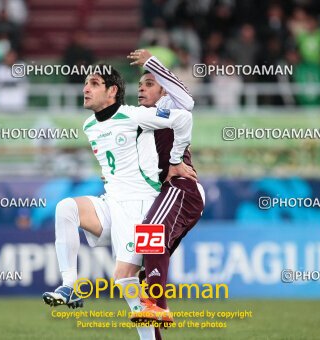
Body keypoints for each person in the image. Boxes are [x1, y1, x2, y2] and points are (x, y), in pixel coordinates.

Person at [42, 66, 194, 340]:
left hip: (141, 207)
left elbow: (183, 119)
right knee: (66, 208)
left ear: (112, 91)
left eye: (94, 83)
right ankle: (69, 285)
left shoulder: (134, 115)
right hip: (111, 202)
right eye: (86, 83)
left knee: (125, 279)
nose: (86, 88)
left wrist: (175, 161)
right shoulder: (89, 126)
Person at [126, 50, 205, 339]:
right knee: (147, 269)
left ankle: (157, 306)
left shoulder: (170, 108)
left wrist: (152, 64)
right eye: (140, 86)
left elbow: (188, 100)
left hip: (183, 189)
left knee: (150, 233)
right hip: (166, 193)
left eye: (149, 84)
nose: (141, 89)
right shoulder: (140, 120)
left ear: (162, 90)